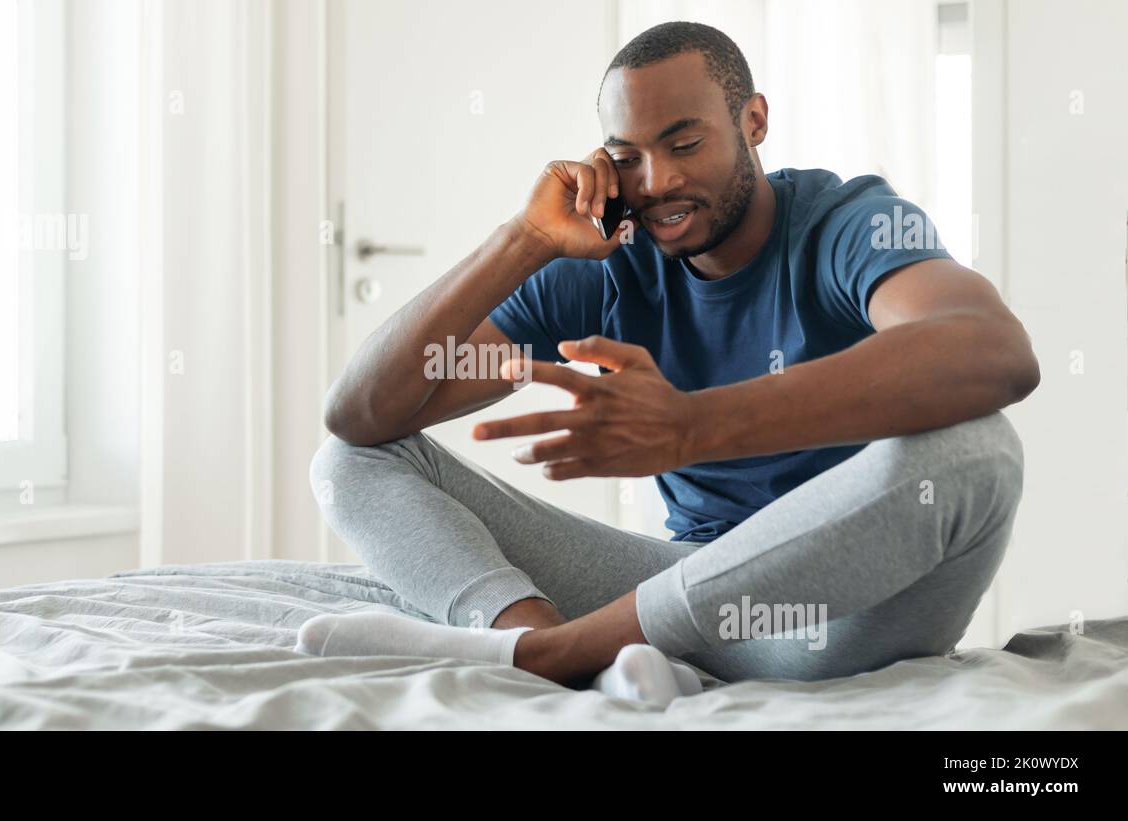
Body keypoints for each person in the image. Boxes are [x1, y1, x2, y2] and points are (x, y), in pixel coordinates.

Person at [295, 21, 1039, 707]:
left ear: (754, 122)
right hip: (678, 593)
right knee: (348, 461)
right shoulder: (616, 260)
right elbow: (361, 413)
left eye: (685, 145)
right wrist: (524, 238)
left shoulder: (848, 224)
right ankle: (530, 639)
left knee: (979, 450)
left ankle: (563, 653)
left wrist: (692, 426)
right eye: (628, 158)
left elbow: (993, 349)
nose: (656, 182)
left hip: (837, 617)